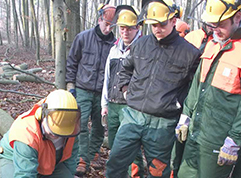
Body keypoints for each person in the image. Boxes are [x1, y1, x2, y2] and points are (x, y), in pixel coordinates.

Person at [105, 0, 201, 177]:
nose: (157, 29)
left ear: (173, 20)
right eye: (153, 25)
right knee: (115, 163)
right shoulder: (140, 44)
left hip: (163, 123)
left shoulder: (190, 54)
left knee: (158, 171)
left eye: (162, 24)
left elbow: (194, 90)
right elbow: (124, 70)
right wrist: (126, 90)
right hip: (133, 115)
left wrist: (181, 111)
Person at [175, 0, 241, 177]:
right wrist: (185, 116)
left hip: (219, 141)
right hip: (195, 134)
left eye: (221, 25)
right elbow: (196, 86)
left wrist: (235, 139)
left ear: (237, 17)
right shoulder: (212, 44)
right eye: (212, 25)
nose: (215, 29)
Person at [65, 3, 116, 176]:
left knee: (100, 127)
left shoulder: (115, 45)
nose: (108, 29)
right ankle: (81, 159)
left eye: (112, 26)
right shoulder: (83, 37)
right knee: (80, 125)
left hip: (103, 93)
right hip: (83, 88)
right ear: (100, 19)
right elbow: (72, 62)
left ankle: (93, 154)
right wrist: (70, 85)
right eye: (106, 24)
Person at [0, 90, 80, 178]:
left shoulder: (70, 130)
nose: (57, 136)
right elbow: (25, 175)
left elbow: (70, 164)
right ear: (42, 114)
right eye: (53, 131)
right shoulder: (26, 133)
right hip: (11, 160)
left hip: (48, 164)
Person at [101, 5, 144, 178]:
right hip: (113, 104)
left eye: (129, 28)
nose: (125, 32)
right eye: (122, 28)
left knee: (132, 146)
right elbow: (107, 78)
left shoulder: (142, 49)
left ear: (137, 28)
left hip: (131, 107)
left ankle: (136, 174)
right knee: (114, 144)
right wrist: (104, 104)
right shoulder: (113, 50)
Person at [170, 24, 213, 178]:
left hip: (202, 106)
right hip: (182, 100)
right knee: (176, 148)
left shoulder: (220, 42)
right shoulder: (192, 37)